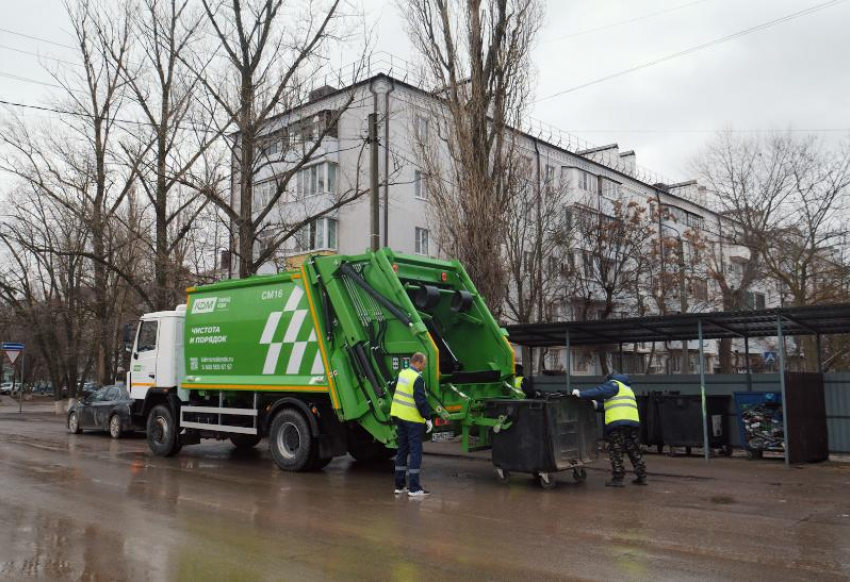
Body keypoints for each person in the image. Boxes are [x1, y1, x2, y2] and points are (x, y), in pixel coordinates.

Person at [572, 373, 647, 487]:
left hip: (618, 424)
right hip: (632, 423)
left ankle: (618, 479)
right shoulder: (627, 389)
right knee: (634, 450)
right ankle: (642, 476)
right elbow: (611, 405)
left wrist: (580, 394)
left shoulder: (614, 384)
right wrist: (596, 405)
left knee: (616, 451)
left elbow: (599, 391)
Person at [390, 352, 433, 497]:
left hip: (399, 416)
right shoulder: (417, 378)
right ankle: (414, 488)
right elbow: (420, 401)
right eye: (424, 364)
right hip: (413, 420)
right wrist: (427, 418)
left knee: (402, 450)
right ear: (418, 362)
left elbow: (394, 390)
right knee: (415, 452)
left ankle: (399, 486)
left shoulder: (402, 374)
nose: (425, 366)